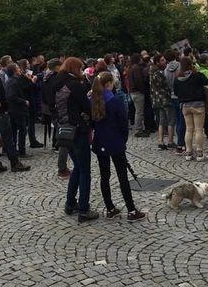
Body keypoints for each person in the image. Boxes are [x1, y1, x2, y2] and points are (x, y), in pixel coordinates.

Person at [91, 71, 146, 222]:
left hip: (100, 142)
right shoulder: (114, 101)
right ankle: (131, 210)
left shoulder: (94, 100)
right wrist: (123, 140)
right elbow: (123, 123)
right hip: (115, 142)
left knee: (104, 176)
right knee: (122, 177)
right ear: (108, 84)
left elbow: (92, 122)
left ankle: (110, 208)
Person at [53, 57, 97, 222]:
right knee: (85, 170)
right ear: (74, 68)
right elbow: (86, 107)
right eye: (80, 68)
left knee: (77, 167)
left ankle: (70, 203)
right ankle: (84, 210)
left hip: (64, 130)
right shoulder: (73, 85)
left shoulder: (57, 83)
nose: (81, 71)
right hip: (77, 130)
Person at [174, 57, 208, 161]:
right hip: (198, 104)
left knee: (189, 129)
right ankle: (199, 153)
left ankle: (188, 152)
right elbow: (206, 81)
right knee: (198, 129)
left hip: (185, 105)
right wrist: (196, 71)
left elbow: (176, 92)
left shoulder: (178, 78)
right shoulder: (196, 75)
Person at [149, 53, 172, 151]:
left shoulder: (152, 72)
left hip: (157, 99)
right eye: (162, 60)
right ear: (157, 62)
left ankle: (160, 141)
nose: (164, 61)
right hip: (164, 99)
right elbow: (165, 87)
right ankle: (170, 141)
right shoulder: (159, 73)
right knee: (170, 120)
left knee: (161, 121)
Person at [6, 63, 29, 157]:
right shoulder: (13, 82)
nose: (20, 69)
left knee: (14, 131)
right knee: (22, 130)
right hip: (17, 110)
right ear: (14, 71)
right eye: (18, 68)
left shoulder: (11, 81)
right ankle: (21, 151)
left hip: (13, 110)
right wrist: (24, 101)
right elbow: (12, 96)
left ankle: (14, 150)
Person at [127, 53, 149, 137]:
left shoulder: (130, 68)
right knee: (139, 112)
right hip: (137, 92)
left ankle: (139, 128)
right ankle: (138, 129)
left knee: (138, 111)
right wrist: (142, 90)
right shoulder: (136, 68)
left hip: (133, 92)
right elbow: (138, 81)